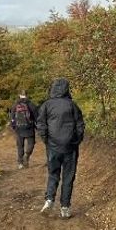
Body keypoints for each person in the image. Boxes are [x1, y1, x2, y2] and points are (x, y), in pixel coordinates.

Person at [36, 78, 86, 219]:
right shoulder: (72, 105)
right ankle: (65, 207)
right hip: (70, 148)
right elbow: (80, 126)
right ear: (66, 89)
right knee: (68, 177)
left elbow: (41, 125)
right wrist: (76, 141)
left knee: (53, 174)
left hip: (53, 147)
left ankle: (49, 199)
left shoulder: (46, 105)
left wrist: (47, 141)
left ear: (53, 89)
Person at [8, 91, 38, 169]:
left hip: (19, 129)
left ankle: (20, 163)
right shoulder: (31, 104)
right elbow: (37, 116)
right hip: (29, 128)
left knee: (20, 146)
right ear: (26, 95)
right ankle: (27, 155)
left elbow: (12, 118)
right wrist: (36, 126)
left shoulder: (15, 105)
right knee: (31, 144)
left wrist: (14, 127)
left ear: (19, 95)